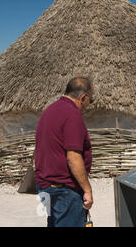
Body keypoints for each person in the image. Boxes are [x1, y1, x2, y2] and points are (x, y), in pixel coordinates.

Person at [35, 77, 94, 227]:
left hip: (46, 185)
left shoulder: (51, 109)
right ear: (83, 97)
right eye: (90, 100)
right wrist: (87, 190)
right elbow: (73, 158)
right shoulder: (72, 114)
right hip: (64, 190)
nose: (88, 105)